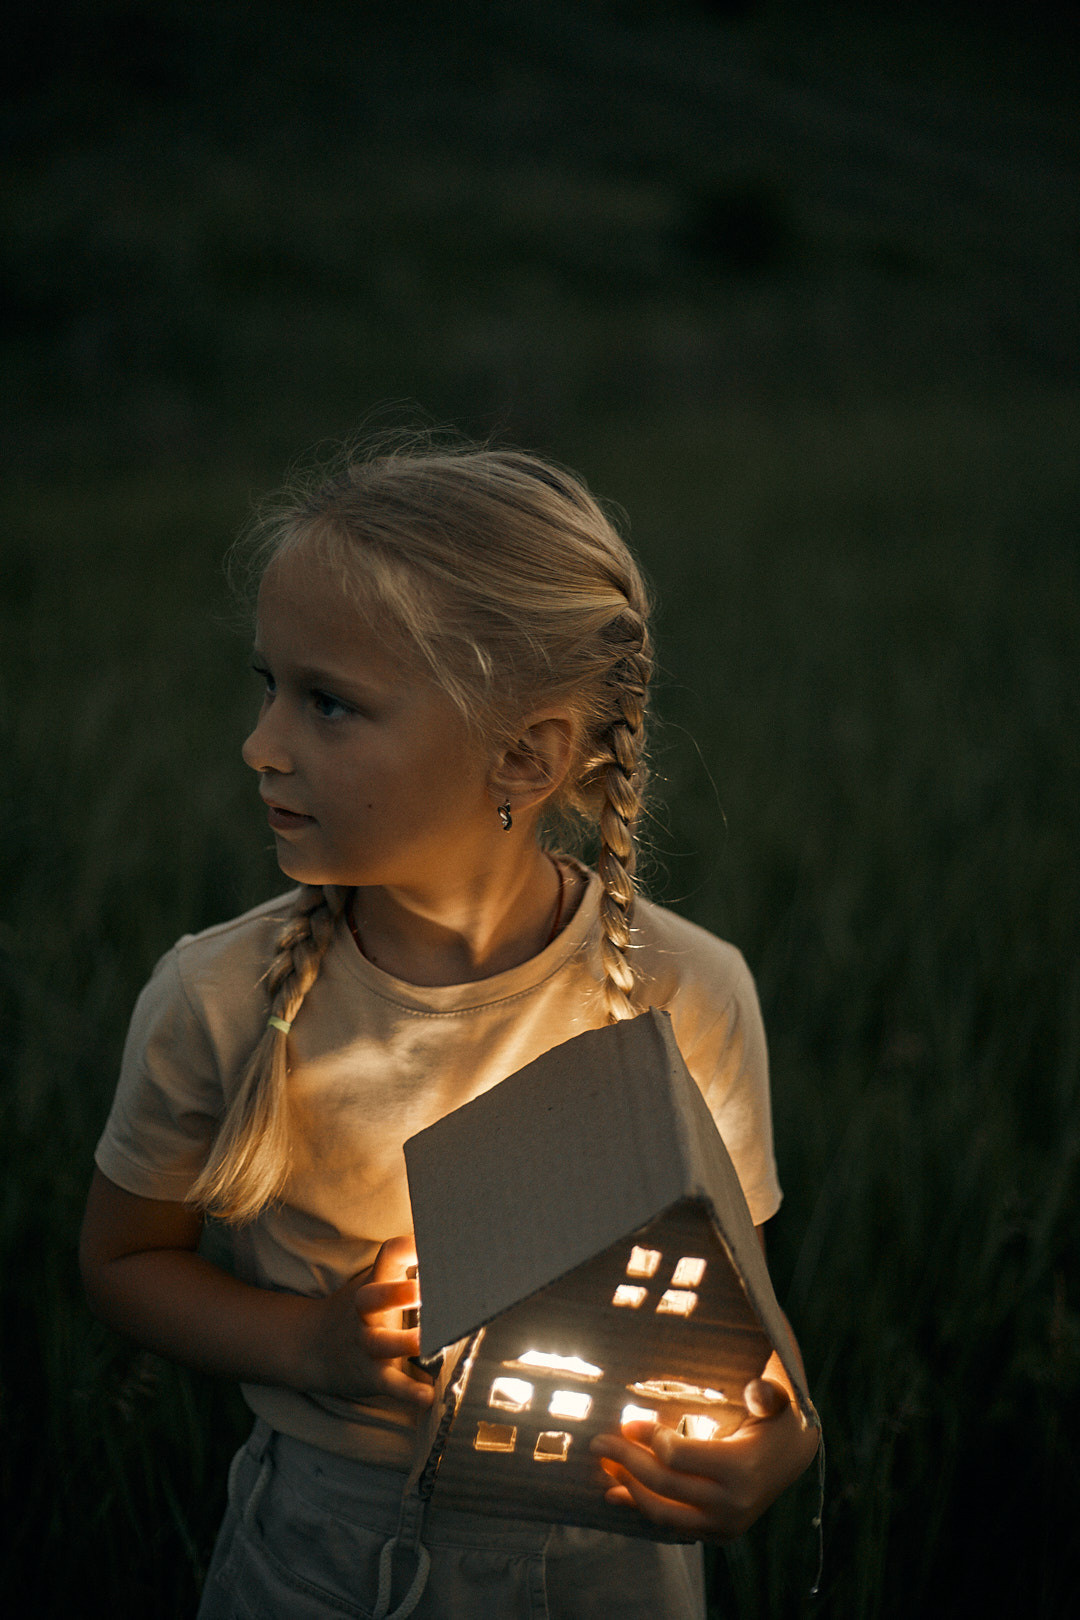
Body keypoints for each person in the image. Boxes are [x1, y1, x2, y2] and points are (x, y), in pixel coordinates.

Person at [80, 436, 820, 1619]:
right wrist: (312, 1343)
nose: (260, 745)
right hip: (322, 1548)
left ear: (524, 755)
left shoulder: (686, 994)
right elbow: (122, 1262)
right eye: (267, 685)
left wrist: (777, 1443)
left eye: (328, 703)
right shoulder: (217, 998)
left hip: (607, 1558)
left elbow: (742, 1326)